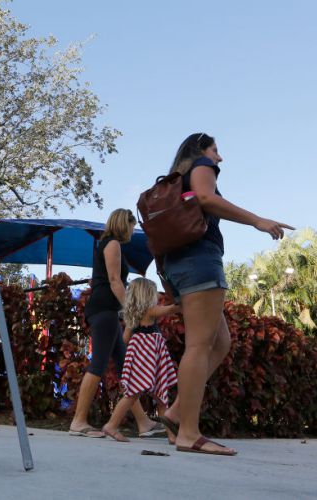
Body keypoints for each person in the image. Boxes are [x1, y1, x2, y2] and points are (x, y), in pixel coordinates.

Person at [158, 133, 294, 455]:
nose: (219, 158)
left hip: (176, 263)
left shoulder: (175, 180)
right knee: (199, 345)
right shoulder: (201, 166)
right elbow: (207, 198)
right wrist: (257, 221)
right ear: (200, 150)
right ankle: (190, 433)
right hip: (200, 260)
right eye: (215, 150)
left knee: (220, 342)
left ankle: (177, 414)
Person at [69, 209, 165, 439]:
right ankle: (78, 421)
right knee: (99, 365)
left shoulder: (109, 244)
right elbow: (114, 281)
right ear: (125, 224)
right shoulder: (112, 244)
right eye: (132, 226)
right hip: (104, 310)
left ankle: (143, 423)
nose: (133, 231)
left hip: (108, 310)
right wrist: (131, 313)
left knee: (125, 368)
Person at [101, 278, 179, 442]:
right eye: (155, 293)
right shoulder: (150, 311)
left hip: (140, 356)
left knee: (139, 394)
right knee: (156, 396)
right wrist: (182, 300)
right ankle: (111, 425)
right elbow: (172, 308)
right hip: (148, 357)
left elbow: (125, 338)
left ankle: (172, 436)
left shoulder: (134, 316)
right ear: (148, 295)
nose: (158, 296)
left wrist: (138, 340)